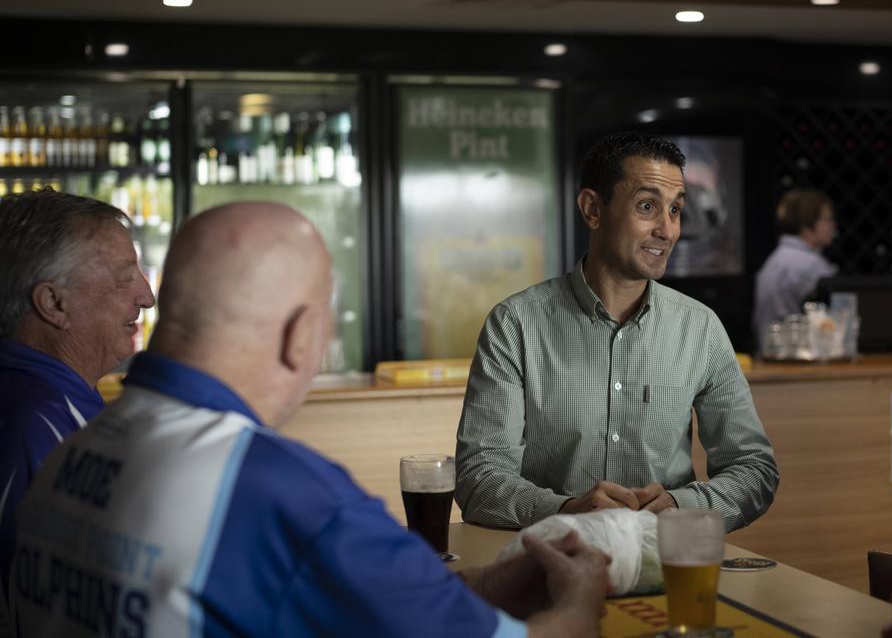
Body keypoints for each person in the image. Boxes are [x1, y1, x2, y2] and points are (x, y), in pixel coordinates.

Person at [9, 202, 609, 638]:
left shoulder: (79, 445)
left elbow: (360, 597)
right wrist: (581, 602)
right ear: (302, 337)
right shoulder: (279, 491)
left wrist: (494, 584)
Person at [456, 132, 779, 532]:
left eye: (676, 210)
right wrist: (566, 510)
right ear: (593, 209)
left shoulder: (700, 328)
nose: (668, 229)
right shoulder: (515, 324)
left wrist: (683, 505)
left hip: (668, 564)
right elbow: (478, 479)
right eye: (647, 206)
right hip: (551, 564)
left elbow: (754, 469)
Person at [0, 188, 154, 631]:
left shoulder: (42, 399)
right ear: (53, 303)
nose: (146, 297)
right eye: (125, 277)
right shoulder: (37, 419)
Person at [752, 188, 838, 347]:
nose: (833, 225)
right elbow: (832, 325)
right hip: (800, 358)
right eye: (827, 220)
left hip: (769, 354)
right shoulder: (812, 266)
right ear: (806, 225)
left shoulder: (774, 259)